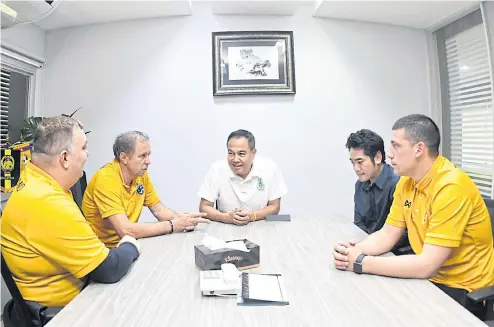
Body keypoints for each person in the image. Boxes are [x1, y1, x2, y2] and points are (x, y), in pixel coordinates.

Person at [333, 114, 494, 319]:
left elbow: (427, 265)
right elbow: (388, 234)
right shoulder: (407, 182)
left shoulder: (451, 187)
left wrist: (361, 263)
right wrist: (355, 251)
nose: (390, 155)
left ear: (419, 149)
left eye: (396, 146)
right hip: (429, 281)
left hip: (462, 292)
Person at [1, 116, 140, 317]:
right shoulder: (47, 201)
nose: (87, 154)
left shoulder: (34, 180)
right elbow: (109, 269)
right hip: (63, 312)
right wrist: (130, 244)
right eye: (84, 148)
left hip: (66, 296)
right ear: (64, 158)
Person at [83, 131, 209, 248]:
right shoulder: (106, 179)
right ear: (124, 158)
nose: (148, 161)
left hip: (130, 243)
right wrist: (173, 225)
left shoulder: (140, 175)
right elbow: (126, 230)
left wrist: (182, 220)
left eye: (148, 155)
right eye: (142, 156)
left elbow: (158, 209)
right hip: (104, 249)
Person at [198, 129, 287, 225]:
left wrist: (253, 216)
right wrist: (226, 218)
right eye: (231, 153)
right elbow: (204, 207)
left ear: (253, 153)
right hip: (226, 227)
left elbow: (275, 207)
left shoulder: (270, 168)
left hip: (261, 226)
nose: (235, 159)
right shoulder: (217, 169)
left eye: (241, 154)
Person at [346, 129, 410, 254]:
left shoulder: (398, 183)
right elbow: (359, 225)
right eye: (353, 163)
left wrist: (374, 247)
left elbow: (404, 233)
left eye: (360, 162)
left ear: (377, 157)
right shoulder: (360, 185)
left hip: (396, 254)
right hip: (369, 248)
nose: (356, 169)